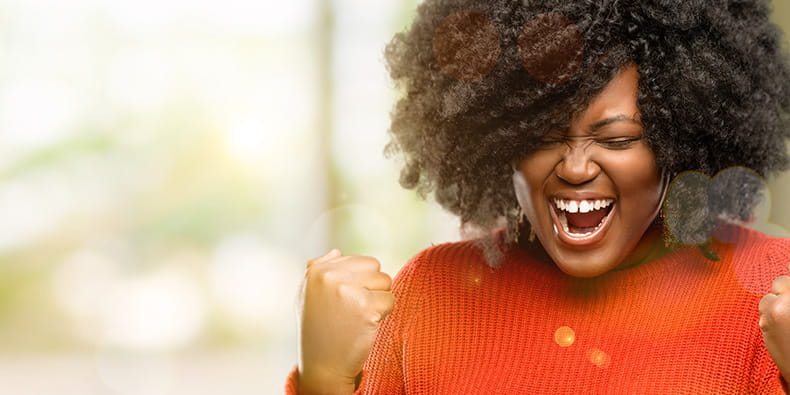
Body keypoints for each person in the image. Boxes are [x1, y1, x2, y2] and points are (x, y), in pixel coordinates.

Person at [288, 0, 790, 393]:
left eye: (617, 139)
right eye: (542, 136)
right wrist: (323, 381)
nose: (575, 168)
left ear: (680, 138)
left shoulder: (772, 291)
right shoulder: (430, 294)